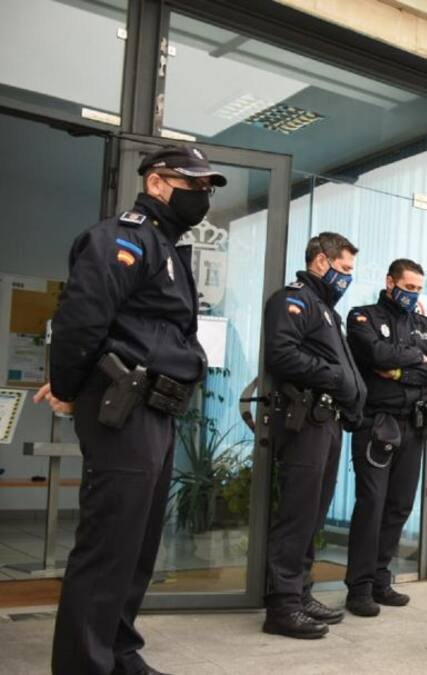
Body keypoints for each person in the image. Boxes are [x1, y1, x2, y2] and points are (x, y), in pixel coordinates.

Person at [36, 146, 223, 675]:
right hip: (123, 407)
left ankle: (118, 652)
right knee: (107, 546)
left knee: (137, 546)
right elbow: (81, 320)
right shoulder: (121, 238)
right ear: (157, 183)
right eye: (194, 185)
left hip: (156, 411)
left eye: (207, 187)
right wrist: (68, 387)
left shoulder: (165, 246)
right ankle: (83, 665)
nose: (203, 196)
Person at [261, 232, 366, 639]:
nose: (347, 278)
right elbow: (282, 354)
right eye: (344, 269)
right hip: (304, 422)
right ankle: (283, 607)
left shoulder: (325, 308)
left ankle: (300, 594)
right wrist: (337, 377)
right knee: (297, 514)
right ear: (320, 261)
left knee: (313, 515)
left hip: (327, 422)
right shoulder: (294, 300)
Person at [342, 258, 427, 617]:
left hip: (414, 426)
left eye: (418, 289)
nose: (413, 294)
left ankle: (380, 581)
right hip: (378, 424)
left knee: (399, 504)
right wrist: (416, 360)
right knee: (371, 504)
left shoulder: (423, 324)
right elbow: (375, 354)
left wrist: (400, 371)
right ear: (390, 282)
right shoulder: (363, 317)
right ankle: (358, 589)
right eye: (408, 287)